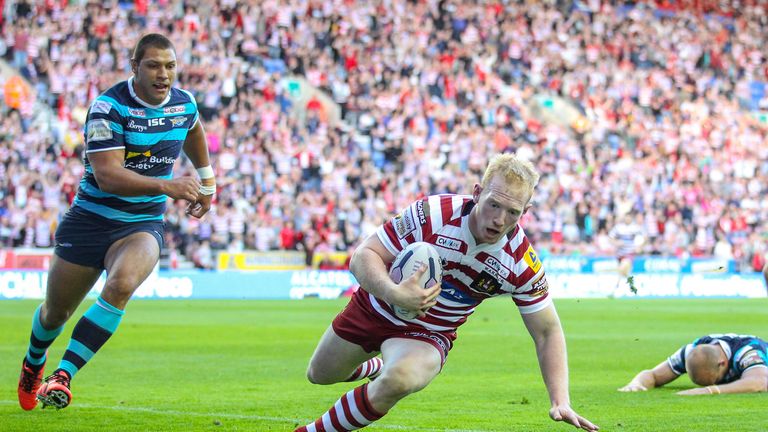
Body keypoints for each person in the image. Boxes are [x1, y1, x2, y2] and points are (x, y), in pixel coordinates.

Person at [295, 154, 599, 431]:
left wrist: (560, 400)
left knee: (399, 380)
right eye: (494, 204)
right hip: (375, 307)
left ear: (526, 211)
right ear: (477, 193)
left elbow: (547, 332)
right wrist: (395, 293)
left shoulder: (520, 262)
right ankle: (373, 364)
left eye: (512, 212)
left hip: (429, 333)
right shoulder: (433, 214)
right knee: (319, 374)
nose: (499, 219)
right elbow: (363, 256)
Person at [17, 33, 216, 411]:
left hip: (141, 223)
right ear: (134, 67)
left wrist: (208, 179)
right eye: (154, 65)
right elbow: (108, 175)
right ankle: (34, 362)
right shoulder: (108, 107)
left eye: (170, 66)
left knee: (122, 285)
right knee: (54, 314)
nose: (164, 75)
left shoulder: (183, 103)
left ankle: (63, 375)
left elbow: (193, 129)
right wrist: (168, 184)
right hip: (90, 221)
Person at [618, 333, 768, 395]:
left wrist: (708, 391)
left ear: (722, 363)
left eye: (714, 379)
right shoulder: (690, 352)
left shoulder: (748, 352)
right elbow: (653, 375)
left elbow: (759, 382)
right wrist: (637, 382)